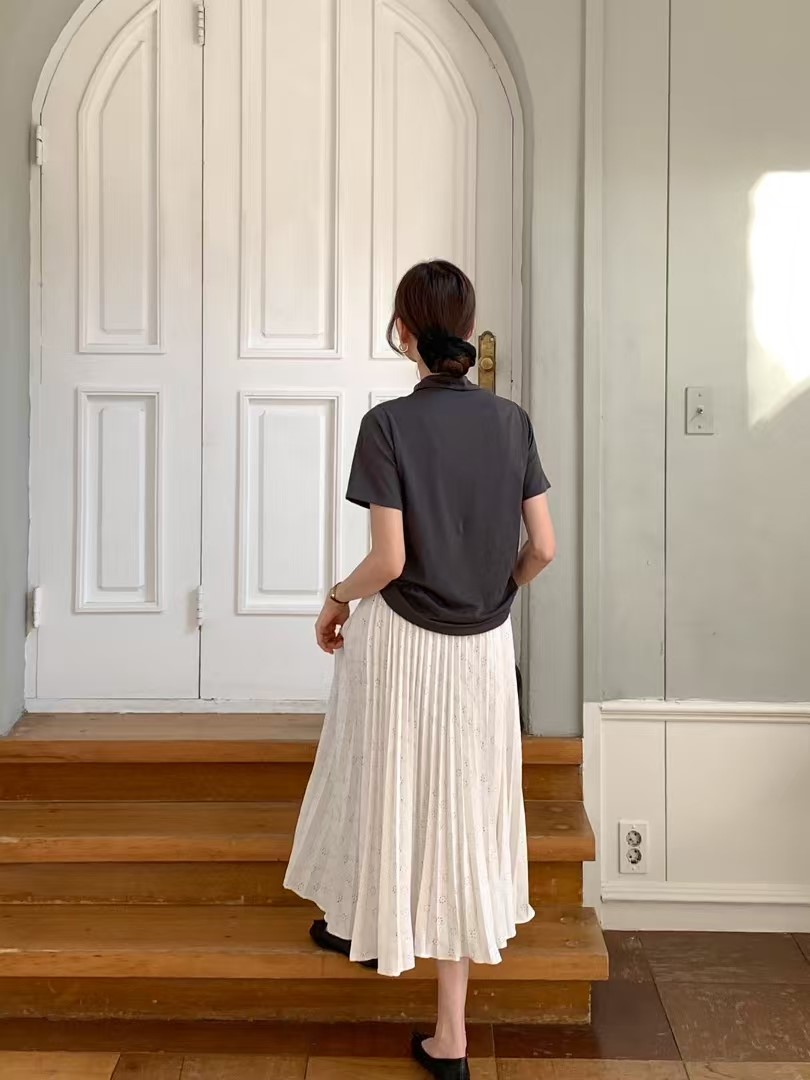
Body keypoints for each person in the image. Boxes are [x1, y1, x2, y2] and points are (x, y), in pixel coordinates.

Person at [284, 259, 556, 1080]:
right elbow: (543, 548)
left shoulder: (388, 425)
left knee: (377, 775)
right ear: (467, 330)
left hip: (400, 640)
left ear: (404, 332)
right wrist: (496, 593)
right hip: (482, 648)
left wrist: (335, 598)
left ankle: (357, 921)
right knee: (462, 808)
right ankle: (451, 1036)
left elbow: (389, 562)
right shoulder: (512, 422)